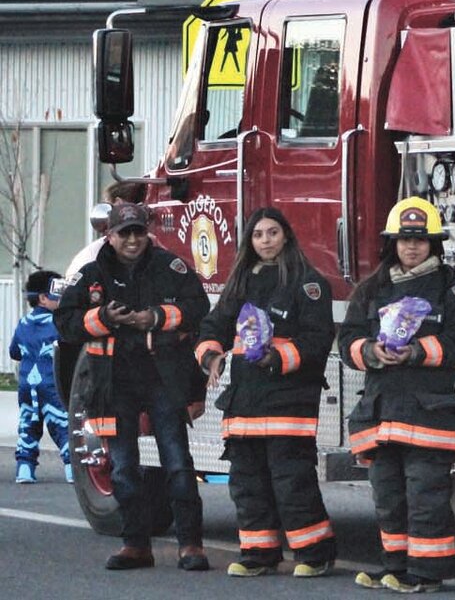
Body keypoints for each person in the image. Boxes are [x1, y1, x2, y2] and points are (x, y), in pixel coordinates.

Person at [54, 202, 211, 572]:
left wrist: (155, 317)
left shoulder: (171, 267)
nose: (132, 240)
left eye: (138, 232)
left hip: (162, 379)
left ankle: (191, 545)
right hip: (112, 383)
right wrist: (103, 317)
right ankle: (136, 545)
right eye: (124, 233)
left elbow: (198, 306)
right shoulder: (91, 274)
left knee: (177, 463)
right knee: (123, 467)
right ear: (109, 235)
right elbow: (64, 322)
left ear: (147, 233)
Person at [338, 197, 455, 592]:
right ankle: (395, 567)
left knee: (425, 497)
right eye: (403, 239)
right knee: (388, 497)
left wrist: (417, 351)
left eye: (420, 240)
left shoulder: (451, 291)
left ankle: (427, 572)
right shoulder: (374, 289)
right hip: (382, 414)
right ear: (392, 243)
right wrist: (370, 352)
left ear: (434, 244)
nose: (411, 247)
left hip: (429, 414)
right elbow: (347, 339)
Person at [194, 207, 338, 578]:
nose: (266, 241)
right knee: (247, 482)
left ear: (286, 236)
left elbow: (317, 339)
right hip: (244, 401)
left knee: (292, 482)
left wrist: (278, 358)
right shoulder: (241, 282)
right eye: (258, 235)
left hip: (288, 399)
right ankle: (259, 553)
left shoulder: (308, 283)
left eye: (272, 233)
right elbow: (215, 324)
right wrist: (210, 355)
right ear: (250, 242)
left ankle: (315, 553)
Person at [10, 270, 71, 484]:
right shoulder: (59, 322)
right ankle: (72, 468)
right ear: (44, 298)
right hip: (51, 383)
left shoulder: (23, 323)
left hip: (27, 384)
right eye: (59, 292)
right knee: (63, 425)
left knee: (28, 425)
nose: (64, 297)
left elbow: (14, 352)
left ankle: (24, 469)